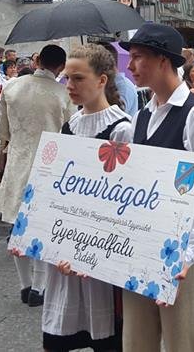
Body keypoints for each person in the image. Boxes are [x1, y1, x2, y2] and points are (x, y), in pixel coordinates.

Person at [116, 23, 194, 352]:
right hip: (142, 245)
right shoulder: (140, 117)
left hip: (182, 249)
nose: (130, 66)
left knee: (183, 343)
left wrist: (188, 254)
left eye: (138, 57)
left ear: (163, 60)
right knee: (136, 342)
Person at [38, 43, 132, 352]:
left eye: (78, 78)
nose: (69, 85)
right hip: (68, 244)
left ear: (102, 80)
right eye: (67, 77)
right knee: (59, 338)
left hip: (101, 249)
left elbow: (124, 200)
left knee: (105, 337)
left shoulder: (121, 129)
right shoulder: (70, 125)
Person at [0, 45, 73, 308]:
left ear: (38, 60)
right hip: (50, 165)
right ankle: (39, 287)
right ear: (60, 66)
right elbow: (71, 130)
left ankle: (24, 284)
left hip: (18, 161)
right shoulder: (63, 93)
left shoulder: (11, 87)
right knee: (43, 227)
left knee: (18, 226)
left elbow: (1, 130)